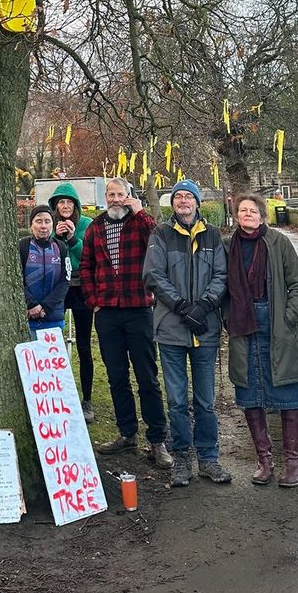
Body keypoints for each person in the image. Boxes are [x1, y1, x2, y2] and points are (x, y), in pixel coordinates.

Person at [143, 179, 231, 487]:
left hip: (204, 330)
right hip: (171, 329)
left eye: (188, 197)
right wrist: (182, 307)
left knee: (205, 400)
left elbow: (222, 274)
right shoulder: (161, 234)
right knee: (177, 400)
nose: (183, 201)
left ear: (196, 202)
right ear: (173, 203)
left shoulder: (213, 235)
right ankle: (182, 458)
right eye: (178, 197)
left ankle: (208, 457)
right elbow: (153, 274)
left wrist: (204, 306)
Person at [80, 178, 172, 469]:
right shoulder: (95, 227)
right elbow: (86, 266)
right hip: (107, 311)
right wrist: (93, 300)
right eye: (111, 194)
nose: (116, 199)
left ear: (129, 196)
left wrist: (140, 211)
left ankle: (157, 439)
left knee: (147, 376)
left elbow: (157, 242)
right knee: (116, 375)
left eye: (121, 194)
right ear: (105, 197)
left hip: (138, 308)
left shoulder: (140, 223)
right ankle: (126, 432)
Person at [226, 193, 298, 487]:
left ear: (262, 215)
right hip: (242, 323)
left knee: (287, 392)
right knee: (250, 392)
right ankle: (264, 461)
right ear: (237, 216)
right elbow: (221, 286)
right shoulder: (228, 246)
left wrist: (290, 315)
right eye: (242, 210)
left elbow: (297, 283)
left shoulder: (278, 242)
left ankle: (294, 461)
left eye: (252, 210)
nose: (247, 214)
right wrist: (227, 318)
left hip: (276, 322)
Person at [49, 182, 95, 420]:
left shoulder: (86, 225)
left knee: (84, 345)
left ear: (75, 205)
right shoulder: (51, 224)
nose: (65, 206)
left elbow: (88, 256)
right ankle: (55, 395)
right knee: (54, 341)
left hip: (81, 288)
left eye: (69, 202)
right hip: (60, 287)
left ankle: (87, 399)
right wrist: (56, 237)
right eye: (61, 202)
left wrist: (72, 239)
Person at [18, 205, 70, 339]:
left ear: (52, 224)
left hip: (54, 318)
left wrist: (45, 307)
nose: (43, 226)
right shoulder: (23, 246)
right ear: (31, 225)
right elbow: (16, 279)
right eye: (38, 221)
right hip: (27, 319)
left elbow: (65, 280)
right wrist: (31, 304)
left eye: (47, 221)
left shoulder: (61, 247)